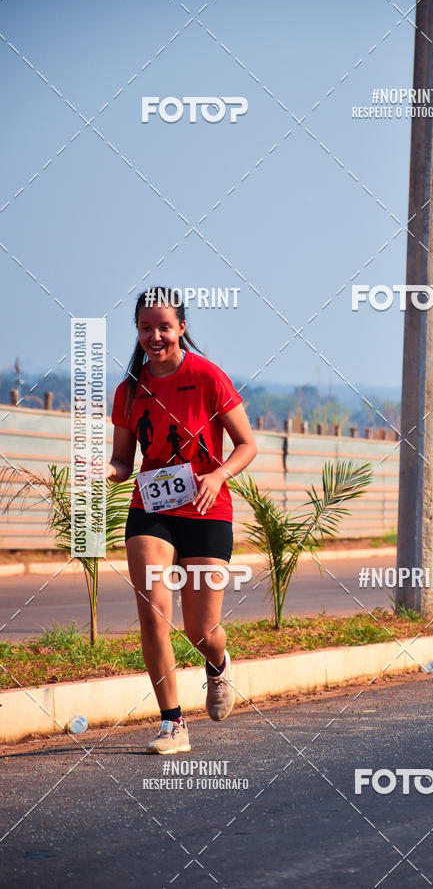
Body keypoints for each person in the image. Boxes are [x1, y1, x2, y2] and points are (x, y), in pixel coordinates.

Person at [106, 288, 257, 754]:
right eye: (146, 327)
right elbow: (122, 463)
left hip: (207, 512)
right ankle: (173, 724)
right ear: (137, 330)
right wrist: (101, 471)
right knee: (153, 616)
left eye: (164, 327)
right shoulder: (130, 389)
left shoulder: (207, 376)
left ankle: (217, 663)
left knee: (201, 632)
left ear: (182, 329)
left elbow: (247, 445)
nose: (155, 336)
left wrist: (217, 475)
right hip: (151, 511)